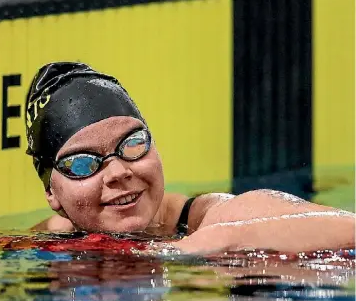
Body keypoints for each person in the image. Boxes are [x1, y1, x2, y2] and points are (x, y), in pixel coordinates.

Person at [26, 62, 355, 255]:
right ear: (51, 193)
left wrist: (209, 243)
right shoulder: (51, 238)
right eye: (82, 163)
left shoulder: (222, 216)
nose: (118, 172)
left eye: (132, 143)